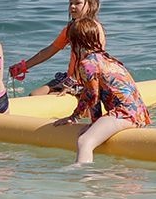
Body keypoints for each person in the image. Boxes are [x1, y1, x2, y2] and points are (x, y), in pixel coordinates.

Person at [52, 17, 150, 164]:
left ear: (74, 41)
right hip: (138, 112)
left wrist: (75, 117)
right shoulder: (104, 58)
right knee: (88, 137)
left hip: (124, 114)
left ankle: (86, 178)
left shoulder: (88, 63)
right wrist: (96, 123)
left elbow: (92, 95)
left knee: (84, 141)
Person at [8, 0, 103, 96]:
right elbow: (50, 50)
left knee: (38, 98)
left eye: (77, 3)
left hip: (86, 80)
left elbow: (92, 61)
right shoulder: (70, 28)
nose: (72, 6)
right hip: (70, 78)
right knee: (34, 95)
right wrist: (23, 67)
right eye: (70, 3)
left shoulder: (93, 29)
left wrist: (73, 86)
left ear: (91, 5)